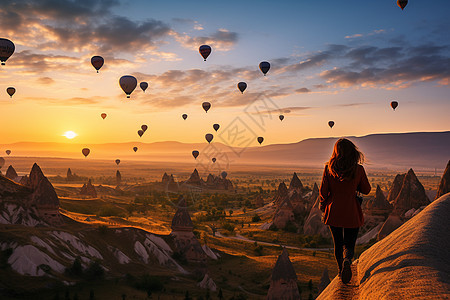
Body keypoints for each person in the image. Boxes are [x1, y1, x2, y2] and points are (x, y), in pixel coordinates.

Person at [319, 138, 371, 284]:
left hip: (333, 210)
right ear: (352, 151)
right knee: (349, 243)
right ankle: (347, 260)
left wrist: (322, 206)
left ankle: (340, 270)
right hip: (351, 211)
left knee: (338, 242)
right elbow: (366, 190)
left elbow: (323, 191)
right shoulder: (358, 169)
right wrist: (356, 185)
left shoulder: (329, 168)